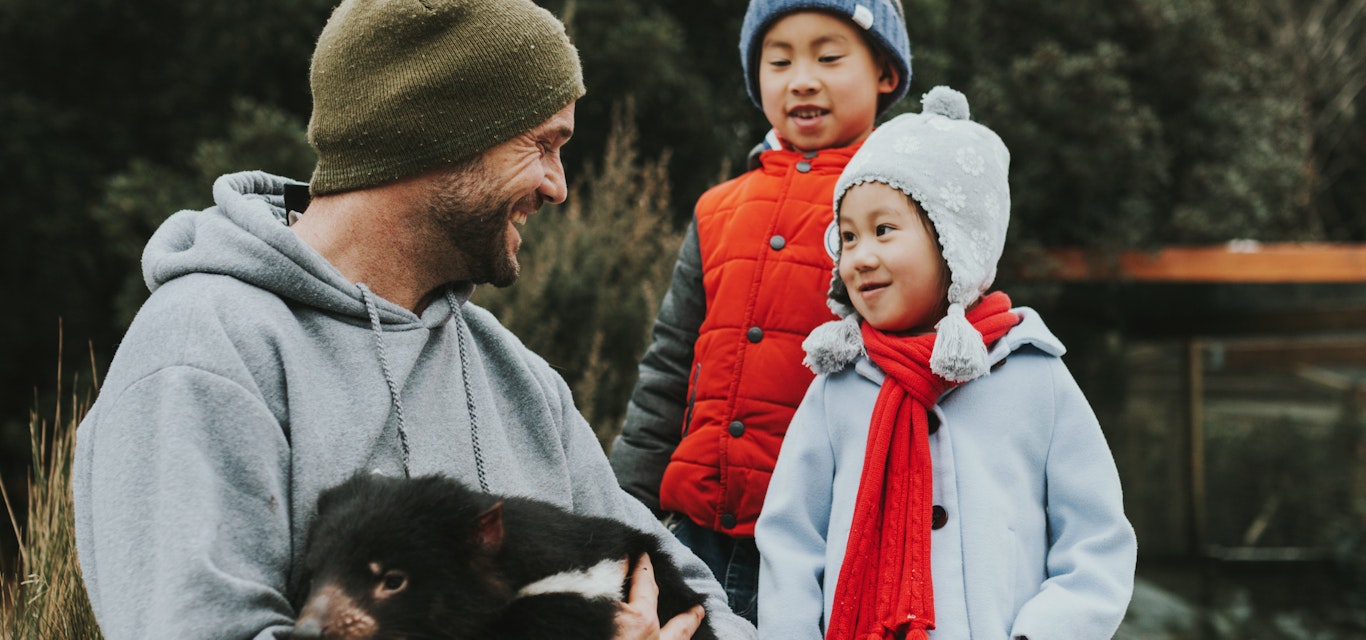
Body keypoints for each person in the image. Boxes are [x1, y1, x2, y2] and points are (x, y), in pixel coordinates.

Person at [70, 1, 756, 639]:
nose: (558, 185)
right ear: (443, 133)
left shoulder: (513, 375)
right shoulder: (203, 351)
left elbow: (684, 589)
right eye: (542, 145)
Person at [755, 86, 1138, 640]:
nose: (860, 255)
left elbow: (1096, 541)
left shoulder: (1034, 376)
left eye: (884, 230)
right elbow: (791, 541)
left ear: (954, 242)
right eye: (848, 235)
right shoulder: (837, 387)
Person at [609, 0, 912, 623]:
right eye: (779, 60)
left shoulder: (900, 208)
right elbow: (668, 369)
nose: (802, 78)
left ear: (886, 71)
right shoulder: (718, 208)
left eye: (829, 56)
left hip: (827, 543)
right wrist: (618, 512)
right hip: (694, 538)